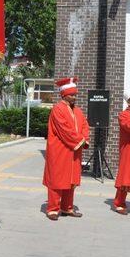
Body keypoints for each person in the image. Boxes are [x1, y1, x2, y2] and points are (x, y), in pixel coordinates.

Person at [43, 77, 89, 221]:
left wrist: (84, 139)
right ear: (64, 95)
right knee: (57, 180)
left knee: (71, 180)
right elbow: (65, 130)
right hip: (60, 150)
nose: (74, 97)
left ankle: (67, 207)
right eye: (72, 95)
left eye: (75, 94)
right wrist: (80, 140)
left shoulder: (78, 111)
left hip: (74, 150)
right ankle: (52, 209)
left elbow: (85, 126)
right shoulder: (58, 109)